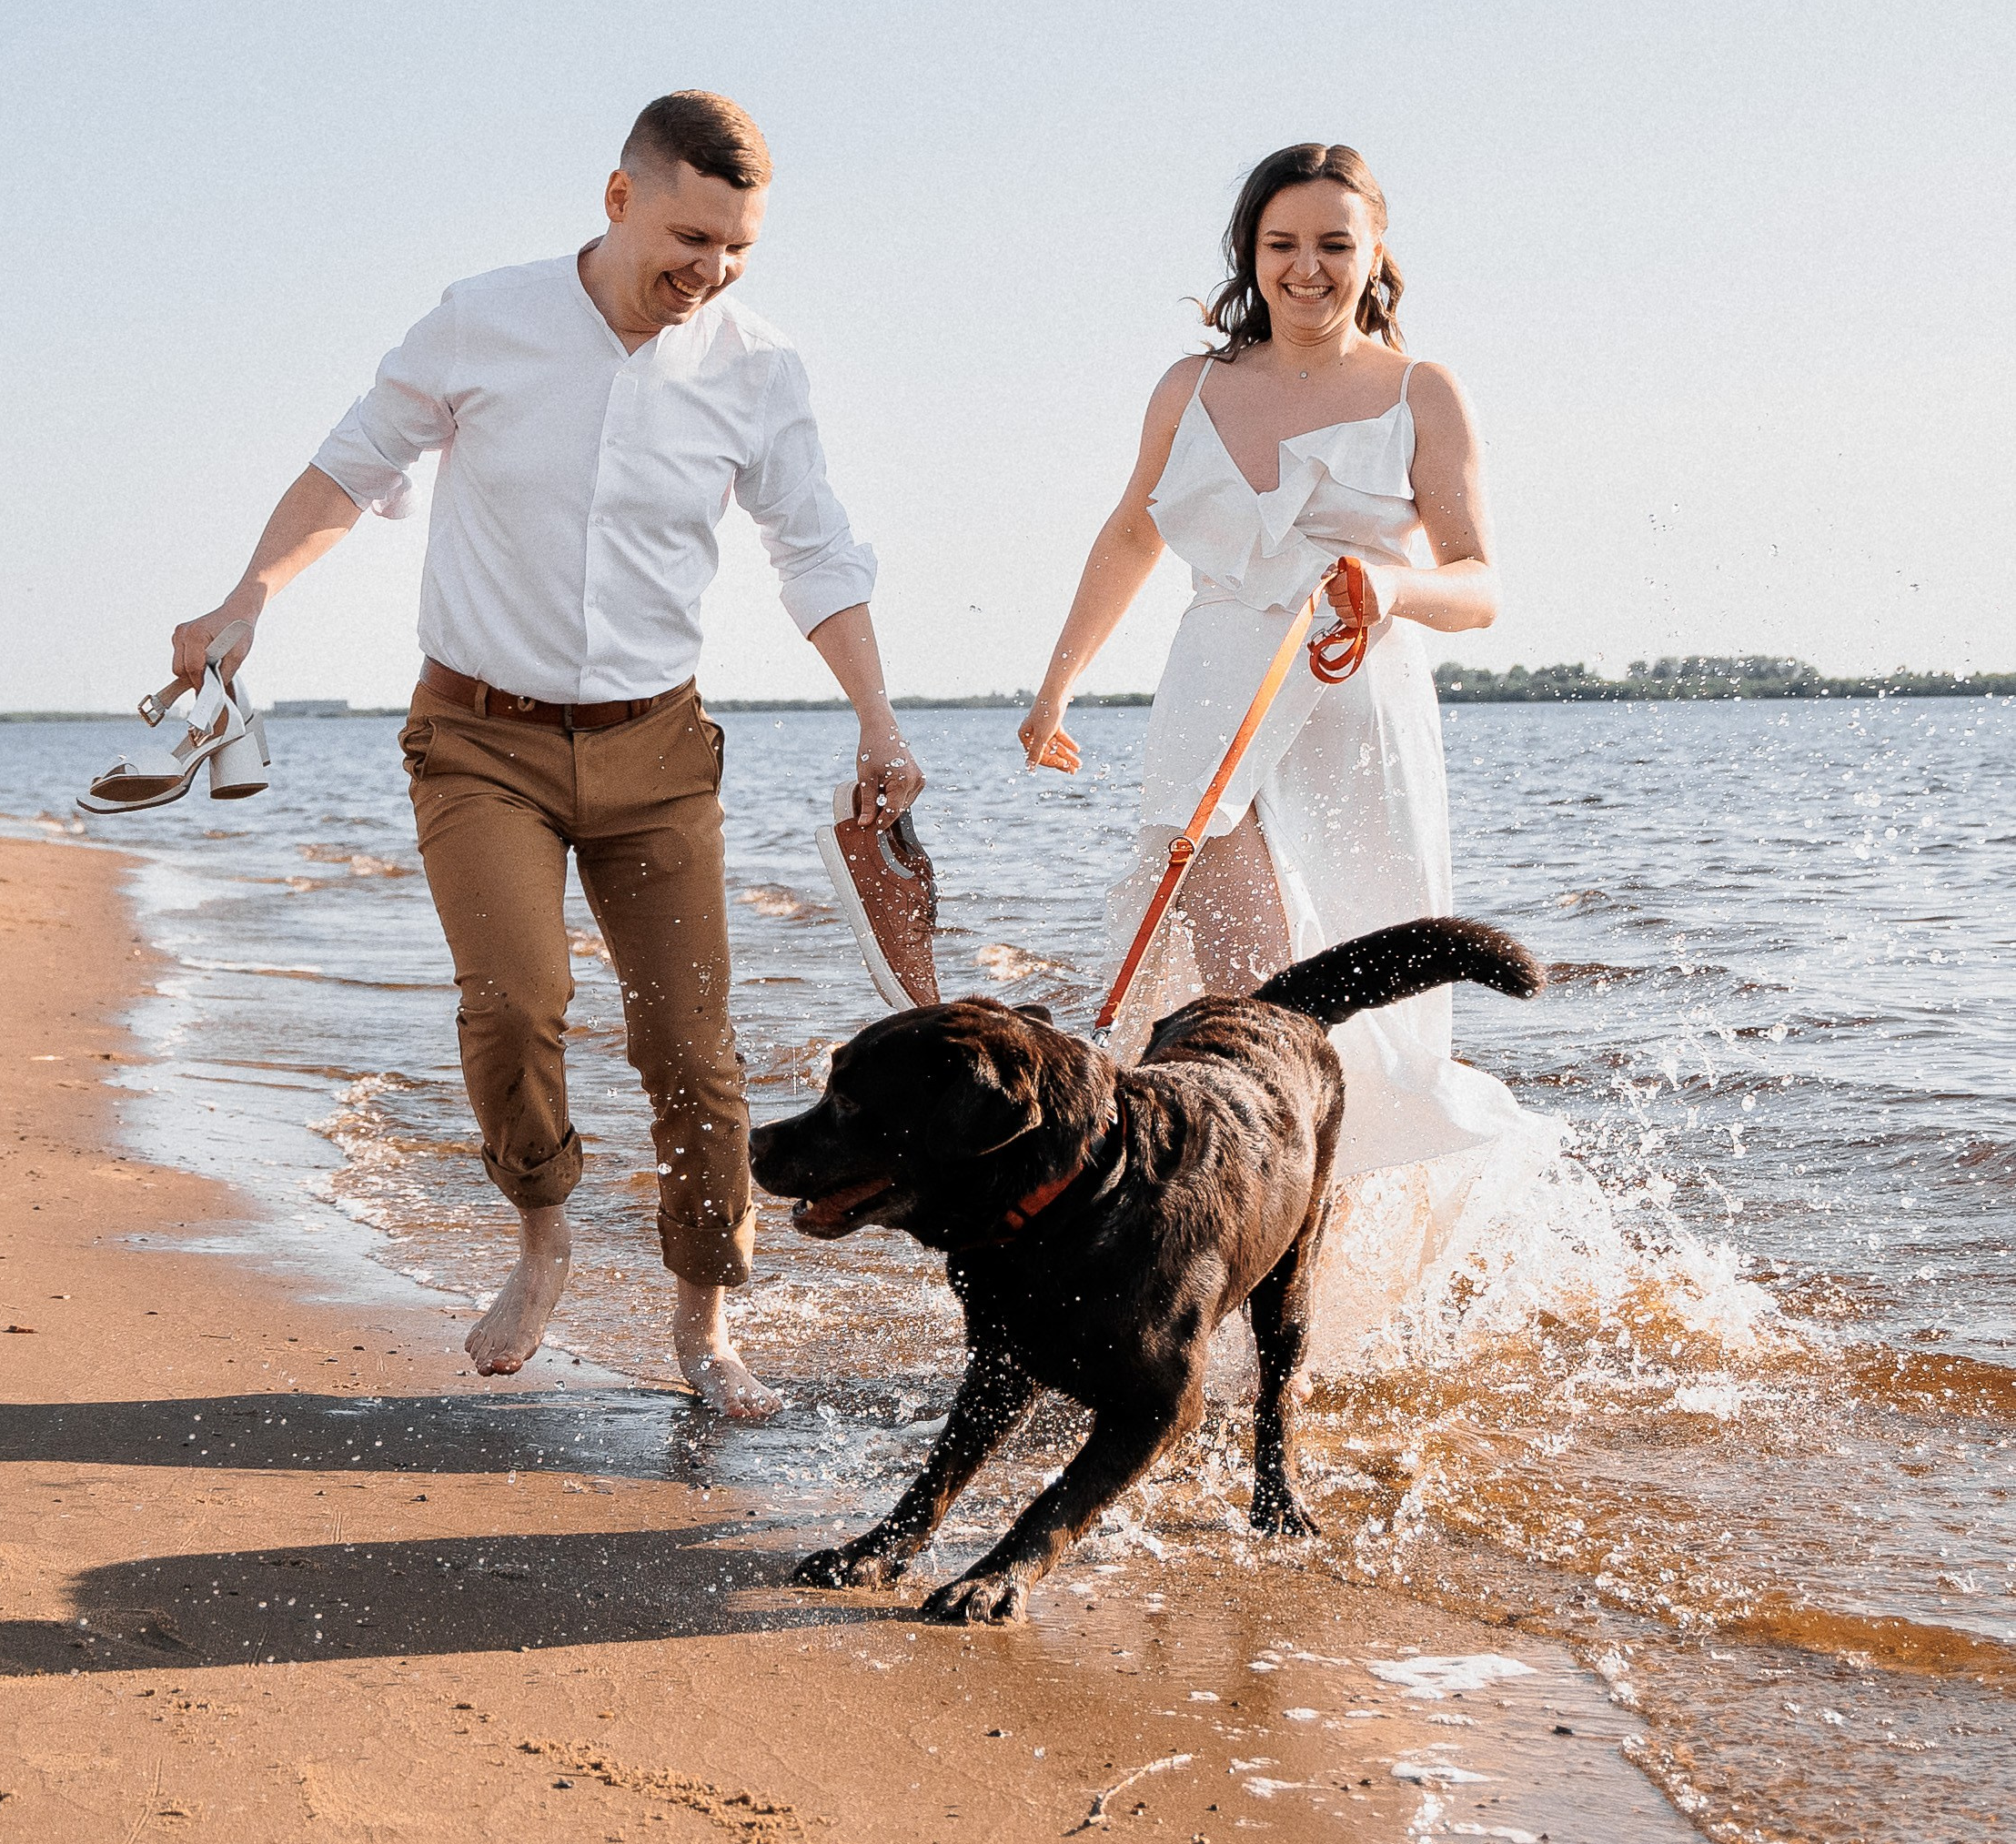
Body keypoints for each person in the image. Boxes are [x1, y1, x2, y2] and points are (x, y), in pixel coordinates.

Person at [170, 90, 923, 1423]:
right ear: (620, 197)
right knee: (516, 1002)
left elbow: (815, 549)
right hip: (478, 740)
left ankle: (704, 1318)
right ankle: (544, 1233)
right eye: (691, 237)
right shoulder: (484, 319)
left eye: (739, 248)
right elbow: (347, 472)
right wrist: (248, 600)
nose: (711, 271)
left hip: (658, 750)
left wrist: (878, 721)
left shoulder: (759, 364)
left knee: (692, 1051)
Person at [1018, 138, 1560, 1368]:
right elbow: (1128, 534)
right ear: (1249, 256)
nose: (1306, 268)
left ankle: (1306, 1321)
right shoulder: (1189, 385)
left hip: (1353, 706)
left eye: (1333, 243)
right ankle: (1198, 1290)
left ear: (1374, 254)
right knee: (1255, 997)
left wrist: (1396, 584)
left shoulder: (1424, 390)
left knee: (1354, 1025)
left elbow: (1480, 585)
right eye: (1281, 245)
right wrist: (1056, 684)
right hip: (1213, 700)